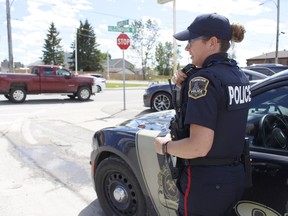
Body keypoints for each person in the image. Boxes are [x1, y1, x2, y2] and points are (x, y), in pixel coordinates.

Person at [155, 13, 251, 216]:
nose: (187, 48)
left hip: (206, 184)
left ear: (212, 43)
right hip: (234, 176)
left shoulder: (203, 80)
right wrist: (184, 86)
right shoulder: (239, 75)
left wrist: (164, 146)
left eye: (191, 41)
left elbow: (198, 146)